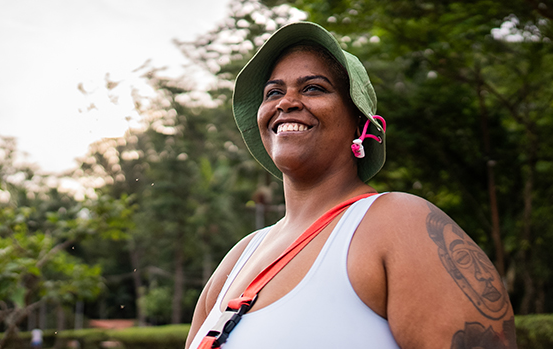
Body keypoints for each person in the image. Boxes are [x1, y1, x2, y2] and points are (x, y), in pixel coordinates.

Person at [185, 21, 516, 349]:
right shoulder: (238, 258)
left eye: (313, 88)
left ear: (359, 121)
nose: (286, 102)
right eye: (273, 92)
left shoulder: (399, 223)